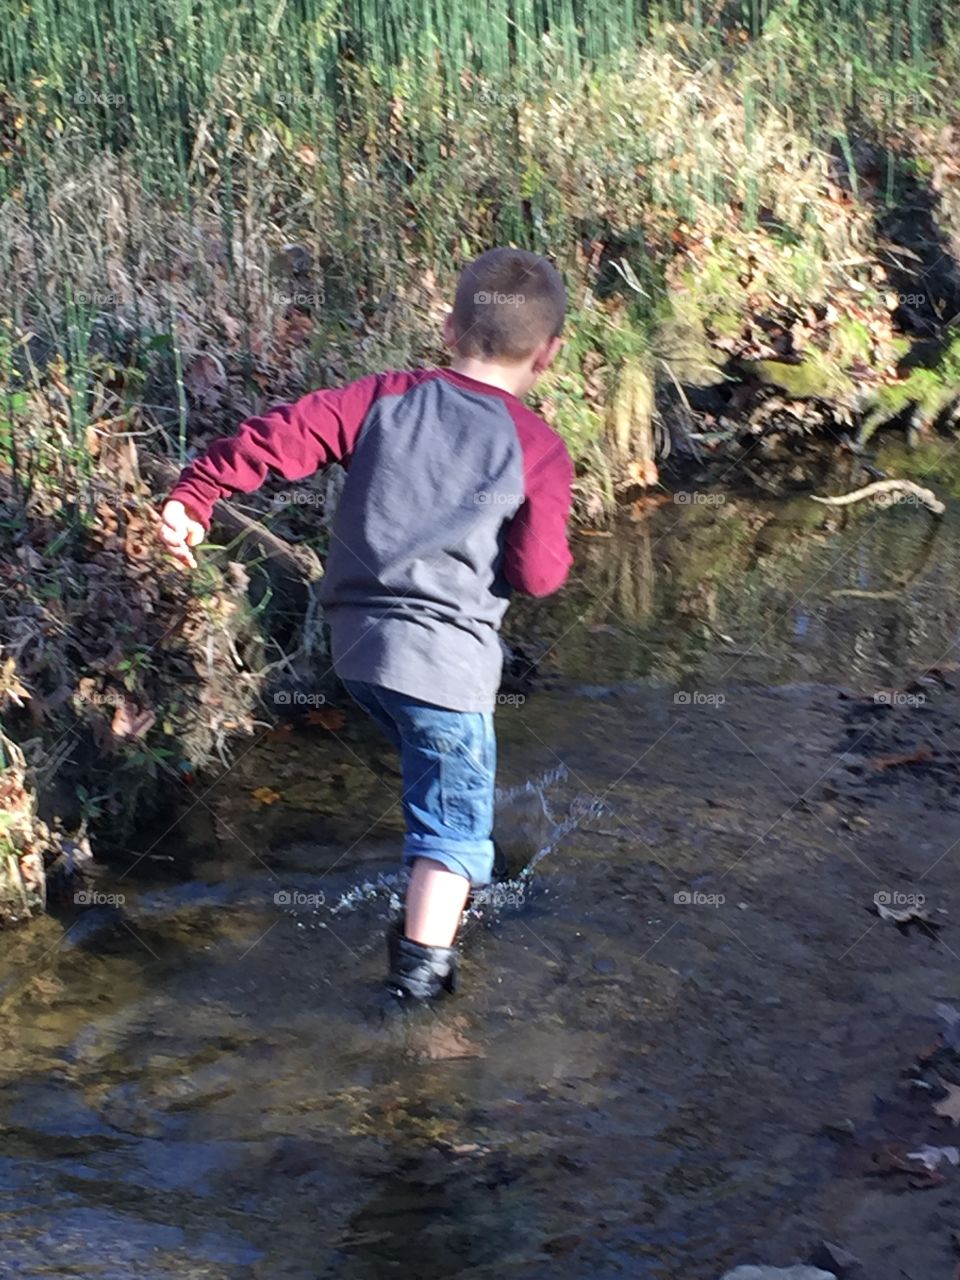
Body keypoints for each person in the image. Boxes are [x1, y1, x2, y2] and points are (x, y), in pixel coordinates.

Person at [159, 247, 575, 1000]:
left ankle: (433, 902)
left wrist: (197, 493)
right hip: (448, 667)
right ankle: (416, 991)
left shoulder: (382, 398)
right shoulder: (538, 449)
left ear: (450, 328)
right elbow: (541, 574)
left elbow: (283, 435)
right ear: (550, 353)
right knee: (453, 834)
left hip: (356, 652)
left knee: (434, 778)